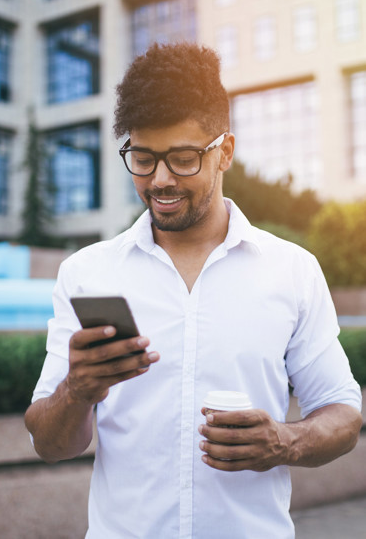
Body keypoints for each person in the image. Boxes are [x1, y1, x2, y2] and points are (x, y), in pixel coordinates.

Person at [25, 42, 362, 539]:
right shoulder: (87, 272)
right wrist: (77, 391)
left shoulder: (292, 270)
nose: (159, 180)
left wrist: (284, 442)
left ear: (224, 151)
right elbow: (50, 444)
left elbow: (343, 414)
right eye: (142, 158)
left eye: (182, 158)